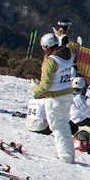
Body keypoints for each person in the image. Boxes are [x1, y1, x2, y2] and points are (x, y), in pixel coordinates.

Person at [32, 33, 76, 163]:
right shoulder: (70, 54)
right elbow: (67, 47)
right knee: (64, 124)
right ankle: (68, 153)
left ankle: (66, 156)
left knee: (58, 126)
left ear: (46, 47)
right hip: (67, 94)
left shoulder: (51, 61)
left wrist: (35, 90)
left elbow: (45, 85)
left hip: (55, 97)